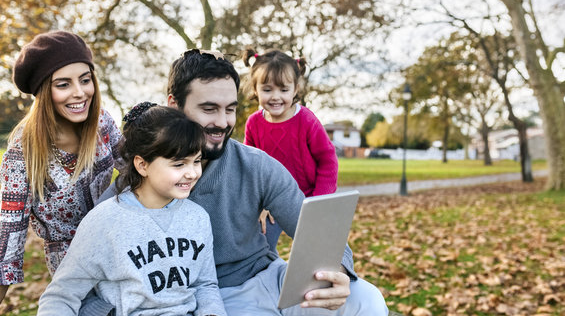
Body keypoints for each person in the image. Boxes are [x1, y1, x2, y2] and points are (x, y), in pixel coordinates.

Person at [100, 49, 387, 315]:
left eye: (230, 109)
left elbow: (316, 229)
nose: (224, 122)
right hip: (205, 297)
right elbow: (95, 259)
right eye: (209, 109)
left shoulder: (256, 164)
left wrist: (338, 272)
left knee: (367, 299)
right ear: (174, 105)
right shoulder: (143, 177)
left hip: (268, 278)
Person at [38, 103, 226, 316]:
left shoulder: (197, 217)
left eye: (197, 161)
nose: (192, 173)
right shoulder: (104, 221)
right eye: (179, 164)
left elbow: (205, 285)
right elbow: (62, 295)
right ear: (142, 165)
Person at [0, 31, 121, 303]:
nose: (80, 93)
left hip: (120, 243)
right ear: (44, 92)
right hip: (73, 269)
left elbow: (141, 168)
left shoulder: (101, 122)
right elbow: (9, 238)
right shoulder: (24, 152)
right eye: (63, 84)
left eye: (85, 80)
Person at [242, 49, 338, 252]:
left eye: (283, 90)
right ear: (256, 89)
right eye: (267, 90)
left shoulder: (306, 120)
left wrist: (318, 202)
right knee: (259, 247)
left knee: (316, 250)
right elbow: (250, 170)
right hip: (271, 202)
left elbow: (328, 159)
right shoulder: (254, 124)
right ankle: (267, 278)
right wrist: (259, 205)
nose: (276, 97)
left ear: (295, 90)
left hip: (308, 198)